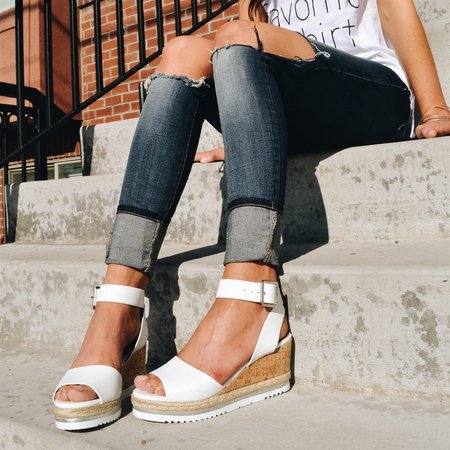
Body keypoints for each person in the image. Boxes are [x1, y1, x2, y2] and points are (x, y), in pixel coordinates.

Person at [52, 0, 450, 429]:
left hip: (373, 97)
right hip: (294, 105)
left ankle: (251, 298)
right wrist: (247, 136)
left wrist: (435, 109)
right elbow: (248, 57)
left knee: (236, 35)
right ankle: (119, 306)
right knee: (182, 51)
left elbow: (395, 11)